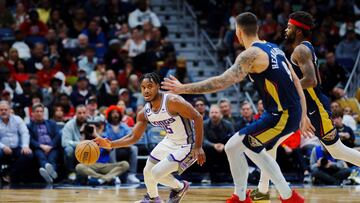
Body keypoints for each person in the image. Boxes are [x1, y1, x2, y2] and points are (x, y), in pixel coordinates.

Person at [162, 12, 314, 202]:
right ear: (256, 29)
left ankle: (287, 196)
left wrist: (183, 88)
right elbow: (296, 81)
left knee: (248, 145)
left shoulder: (250, 55)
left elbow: (221, 82)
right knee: (235, 146)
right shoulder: (274, 48)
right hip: (285, 112)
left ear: (238, 32)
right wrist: (304, 113)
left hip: (282, 114)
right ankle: (241, 196)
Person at [249, 11, 360, 201]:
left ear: (298, 30)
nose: (285, 29)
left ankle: (264, 188)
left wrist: (287, 88)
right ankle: (263, 189)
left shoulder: (301, 50)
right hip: (302, 107)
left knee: (337, 150)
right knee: (271, 143)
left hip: (315, 108)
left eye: (289, 27)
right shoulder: (301, 49)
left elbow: (311, 80)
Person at [95, 73, 205, 203]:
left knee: (156, 173)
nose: (146, 90)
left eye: (150, 86)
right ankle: (153, 198)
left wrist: (198, 146)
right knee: (147, 170)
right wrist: (110, 144)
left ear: (158, 86)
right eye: (143, 87)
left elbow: (198, 117)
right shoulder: (144, 113)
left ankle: (180, 187)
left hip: (188, 144)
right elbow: (133, 137)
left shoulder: (173, 101)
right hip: (170, 140)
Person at [75, 115, 129, 185]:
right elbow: (80, 149)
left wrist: (96, 135)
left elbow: (110, 149)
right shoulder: (87, 138)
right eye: (95, 126)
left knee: (125, 164)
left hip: (105, 165)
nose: (96, 128)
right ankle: (104, 178)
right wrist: (83, 132)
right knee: (79, 167)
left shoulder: (106, 138)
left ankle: (100, 179)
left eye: (97, 126)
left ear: (102, 127)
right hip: (91, 165)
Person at [0, 100, 33, 183]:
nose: (3, 111)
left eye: (5, 109)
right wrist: (3, 147)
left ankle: (10, 173)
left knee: (28, 155)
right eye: (1, 110)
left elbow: (24, 133)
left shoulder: (17, 119)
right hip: (2, 148)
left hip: (16, 147)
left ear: (9, 110)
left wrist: (25, 145)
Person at [28, 103, 61, 184]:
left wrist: (50, 146)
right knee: (40, 156)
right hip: (39, 148)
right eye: (37, 111)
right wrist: (41, 146)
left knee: (52, 158)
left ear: (43, 113)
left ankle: (49, 173)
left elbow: (57, 135)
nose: (39, 113)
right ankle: (49, 170)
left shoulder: (51, 123)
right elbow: (30, 139)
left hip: (52, 147)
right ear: (33, 113)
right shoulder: (29, 126)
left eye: (41, 111)